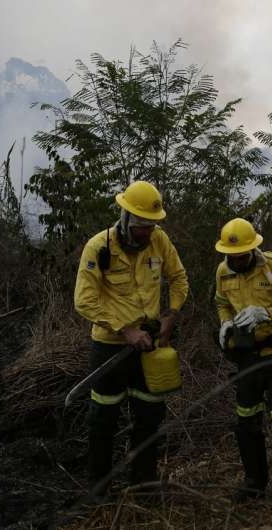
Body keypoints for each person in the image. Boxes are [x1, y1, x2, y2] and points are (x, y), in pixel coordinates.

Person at [74, 180, 189, 494]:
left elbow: (178, 278)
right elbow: (84, 300)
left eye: (152, 226)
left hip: (149, 348)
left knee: (149, 418)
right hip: (109, 349)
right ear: (125, 219)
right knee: (103, 421)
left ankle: (144, 484)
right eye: (141, 227)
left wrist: (171, 314)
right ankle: (99, 489)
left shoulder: (159, 241)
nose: (147, 232)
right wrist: (126, 329)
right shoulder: (99, 247)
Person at [214, 218, 272, 503]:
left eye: (240, 257)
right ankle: (254, 480)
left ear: (252, 250)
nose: (236, 262)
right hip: (247, 356)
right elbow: (222, 303)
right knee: (246, 420)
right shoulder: (222, 271)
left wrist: (266, 313)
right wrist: (226, 323)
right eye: (231, 257)